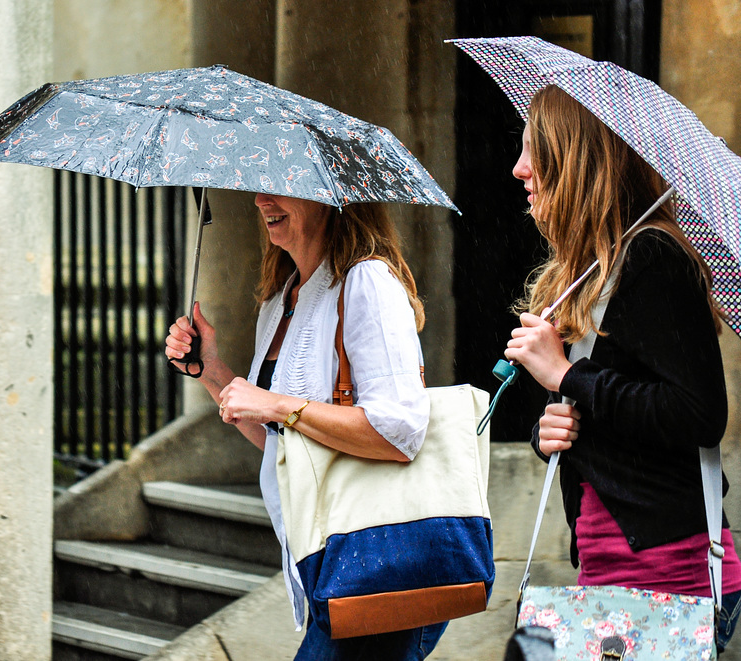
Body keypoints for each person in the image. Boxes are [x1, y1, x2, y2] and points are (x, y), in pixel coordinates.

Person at [503, 85, 741, 654]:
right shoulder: (595, 273)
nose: (518, 169)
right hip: (611, 569)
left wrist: (566, 377)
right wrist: (551, 428)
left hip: (669, 577)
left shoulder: (652, 259)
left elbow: (699, 414)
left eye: (535, 150)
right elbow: (619, 409)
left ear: (575, 161)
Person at [165, 193, 447, 660]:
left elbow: (399, 431)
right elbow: (285, 445)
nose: (260, 199)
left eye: (281, 184)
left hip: (381, 559)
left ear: (331, 198)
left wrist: (276, 403)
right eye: (259, 184)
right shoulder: (281, 300)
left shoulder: (368, 282)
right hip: (328, 561)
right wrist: (213, 371)